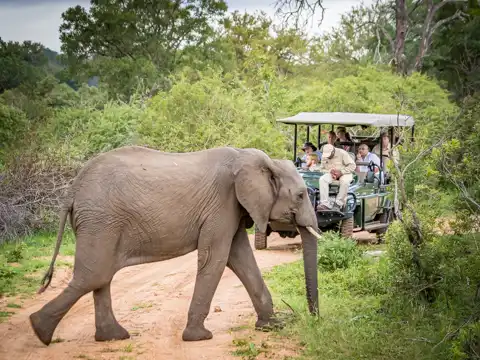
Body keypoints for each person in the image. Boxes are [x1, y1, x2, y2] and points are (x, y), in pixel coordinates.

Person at [317, 144, 356, 212]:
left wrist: (341, 172)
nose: (328, 156)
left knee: (345, 182)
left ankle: (338, 203)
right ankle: (325, 204)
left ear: (333, 151)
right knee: (322, 179)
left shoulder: (342, 153)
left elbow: (352, 166)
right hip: (331, 173)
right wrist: (330, 171)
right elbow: (321, 169)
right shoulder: (324, 156)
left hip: (345, 173)